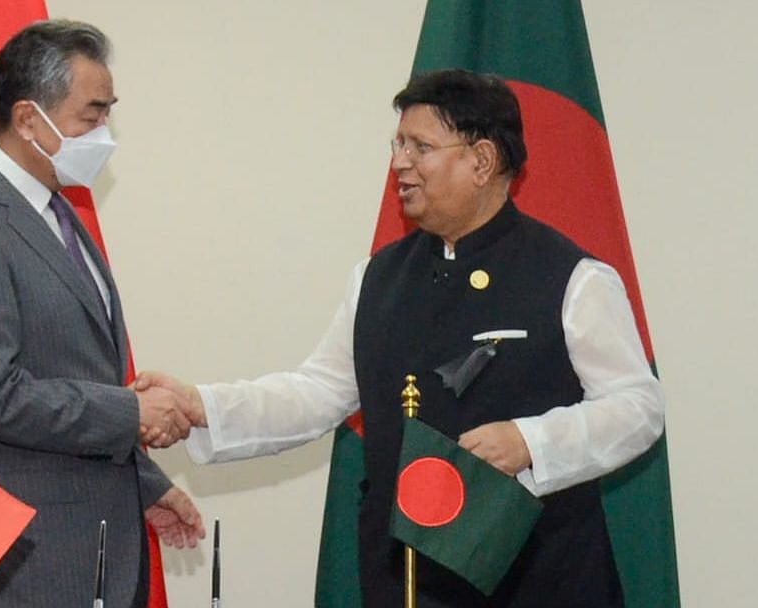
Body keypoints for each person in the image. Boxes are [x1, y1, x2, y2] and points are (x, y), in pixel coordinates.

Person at [136, 69, 665, 607]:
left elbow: (638, 407)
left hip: (542, 577)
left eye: (421, 147)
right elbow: (318, 392)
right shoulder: (377, 278)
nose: (399, 163)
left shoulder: (573, 277)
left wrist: (532, 441)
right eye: (398, 144)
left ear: (481, 161)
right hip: (408, 580)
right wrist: (201, 405)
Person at [0, 20, 205, 608]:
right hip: (23, 566)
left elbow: (76, 372)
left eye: (108, 114)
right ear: (27, 120)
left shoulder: (58, 210)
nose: (105, 134)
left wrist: (143, 483)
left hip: (92, 551)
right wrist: (132, 412)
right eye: (91, 116)